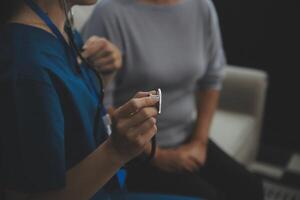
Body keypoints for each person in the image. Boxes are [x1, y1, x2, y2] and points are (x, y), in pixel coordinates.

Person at [82, 0, 265, 199]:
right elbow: (101, 104)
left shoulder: (202, 6)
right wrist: (159, 155)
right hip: (134, 151)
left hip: (186, 135)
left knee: (251, 188)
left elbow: (211, 79)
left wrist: (199, 142)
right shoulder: (109, 12)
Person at [0, 0, 161, 199]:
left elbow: (75, 117)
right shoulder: (27, 67)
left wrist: (105, 73)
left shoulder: (62, 30)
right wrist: (116, 151)